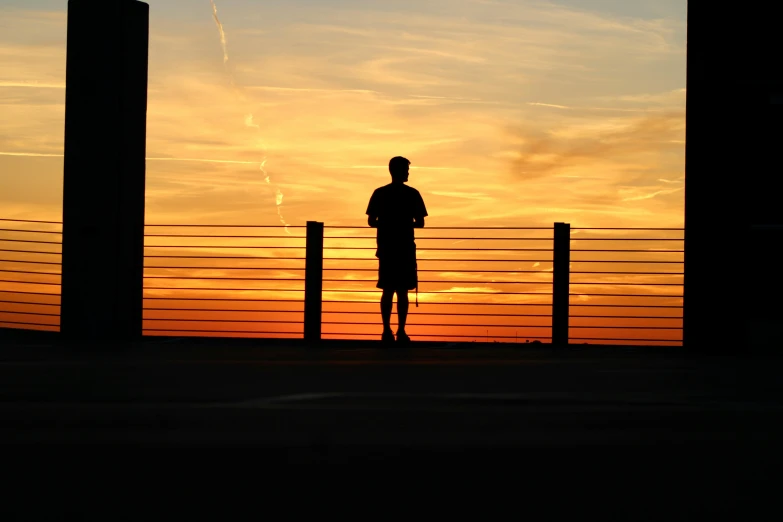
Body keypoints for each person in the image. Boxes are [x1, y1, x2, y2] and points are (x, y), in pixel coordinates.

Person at [366, 156, 428, 344]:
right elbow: (421, 223)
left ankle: (386, 330)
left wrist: (387, 224)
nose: (408, 173)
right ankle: (401, 331)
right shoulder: (413, 194)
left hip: (386, 248)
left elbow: (370, 221)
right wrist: (403, 224)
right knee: (402, 292)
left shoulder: (379, 193)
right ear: (400, 171)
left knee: (387, 290)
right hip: (405, 249)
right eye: (406, 170)